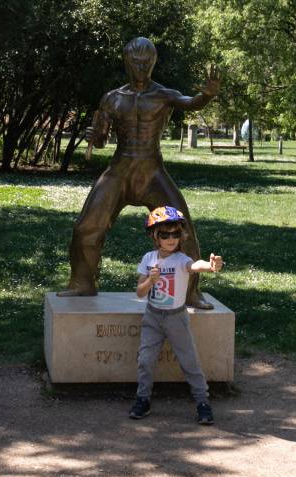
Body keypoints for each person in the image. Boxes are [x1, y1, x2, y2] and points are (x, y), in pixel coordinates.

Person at [62, 37, 220, 310]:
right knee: (86, 227)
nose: (141, 66)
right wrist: (94, 135)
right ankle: (82, 282)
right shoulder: (112, 98)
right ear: (127, 62)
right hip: (119, 171)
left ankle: (191, 293)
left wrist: (207, 95)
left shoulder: (163, 95)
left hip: (152, 172)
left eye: (147, 62)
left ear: (153, 63)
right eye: (136, 61)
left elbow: (190, 102)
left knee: (184, 228)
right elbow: (100, 139)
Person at [130, 206, 224, 425]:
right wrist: (150, 281)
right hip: (152, 317)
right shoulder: (148, 259)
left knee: (189, 361)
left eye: (175, 234)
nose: (171, 239)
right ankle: (143, 399)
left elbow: (195, 265)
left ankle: (202, 402)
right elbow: (140, 292)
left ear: (181, 236)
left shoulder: (181, 260)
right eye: (165, 235)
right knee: (145, 360)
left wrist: (211, 267)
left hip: (176, 318)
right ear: (155, 236)